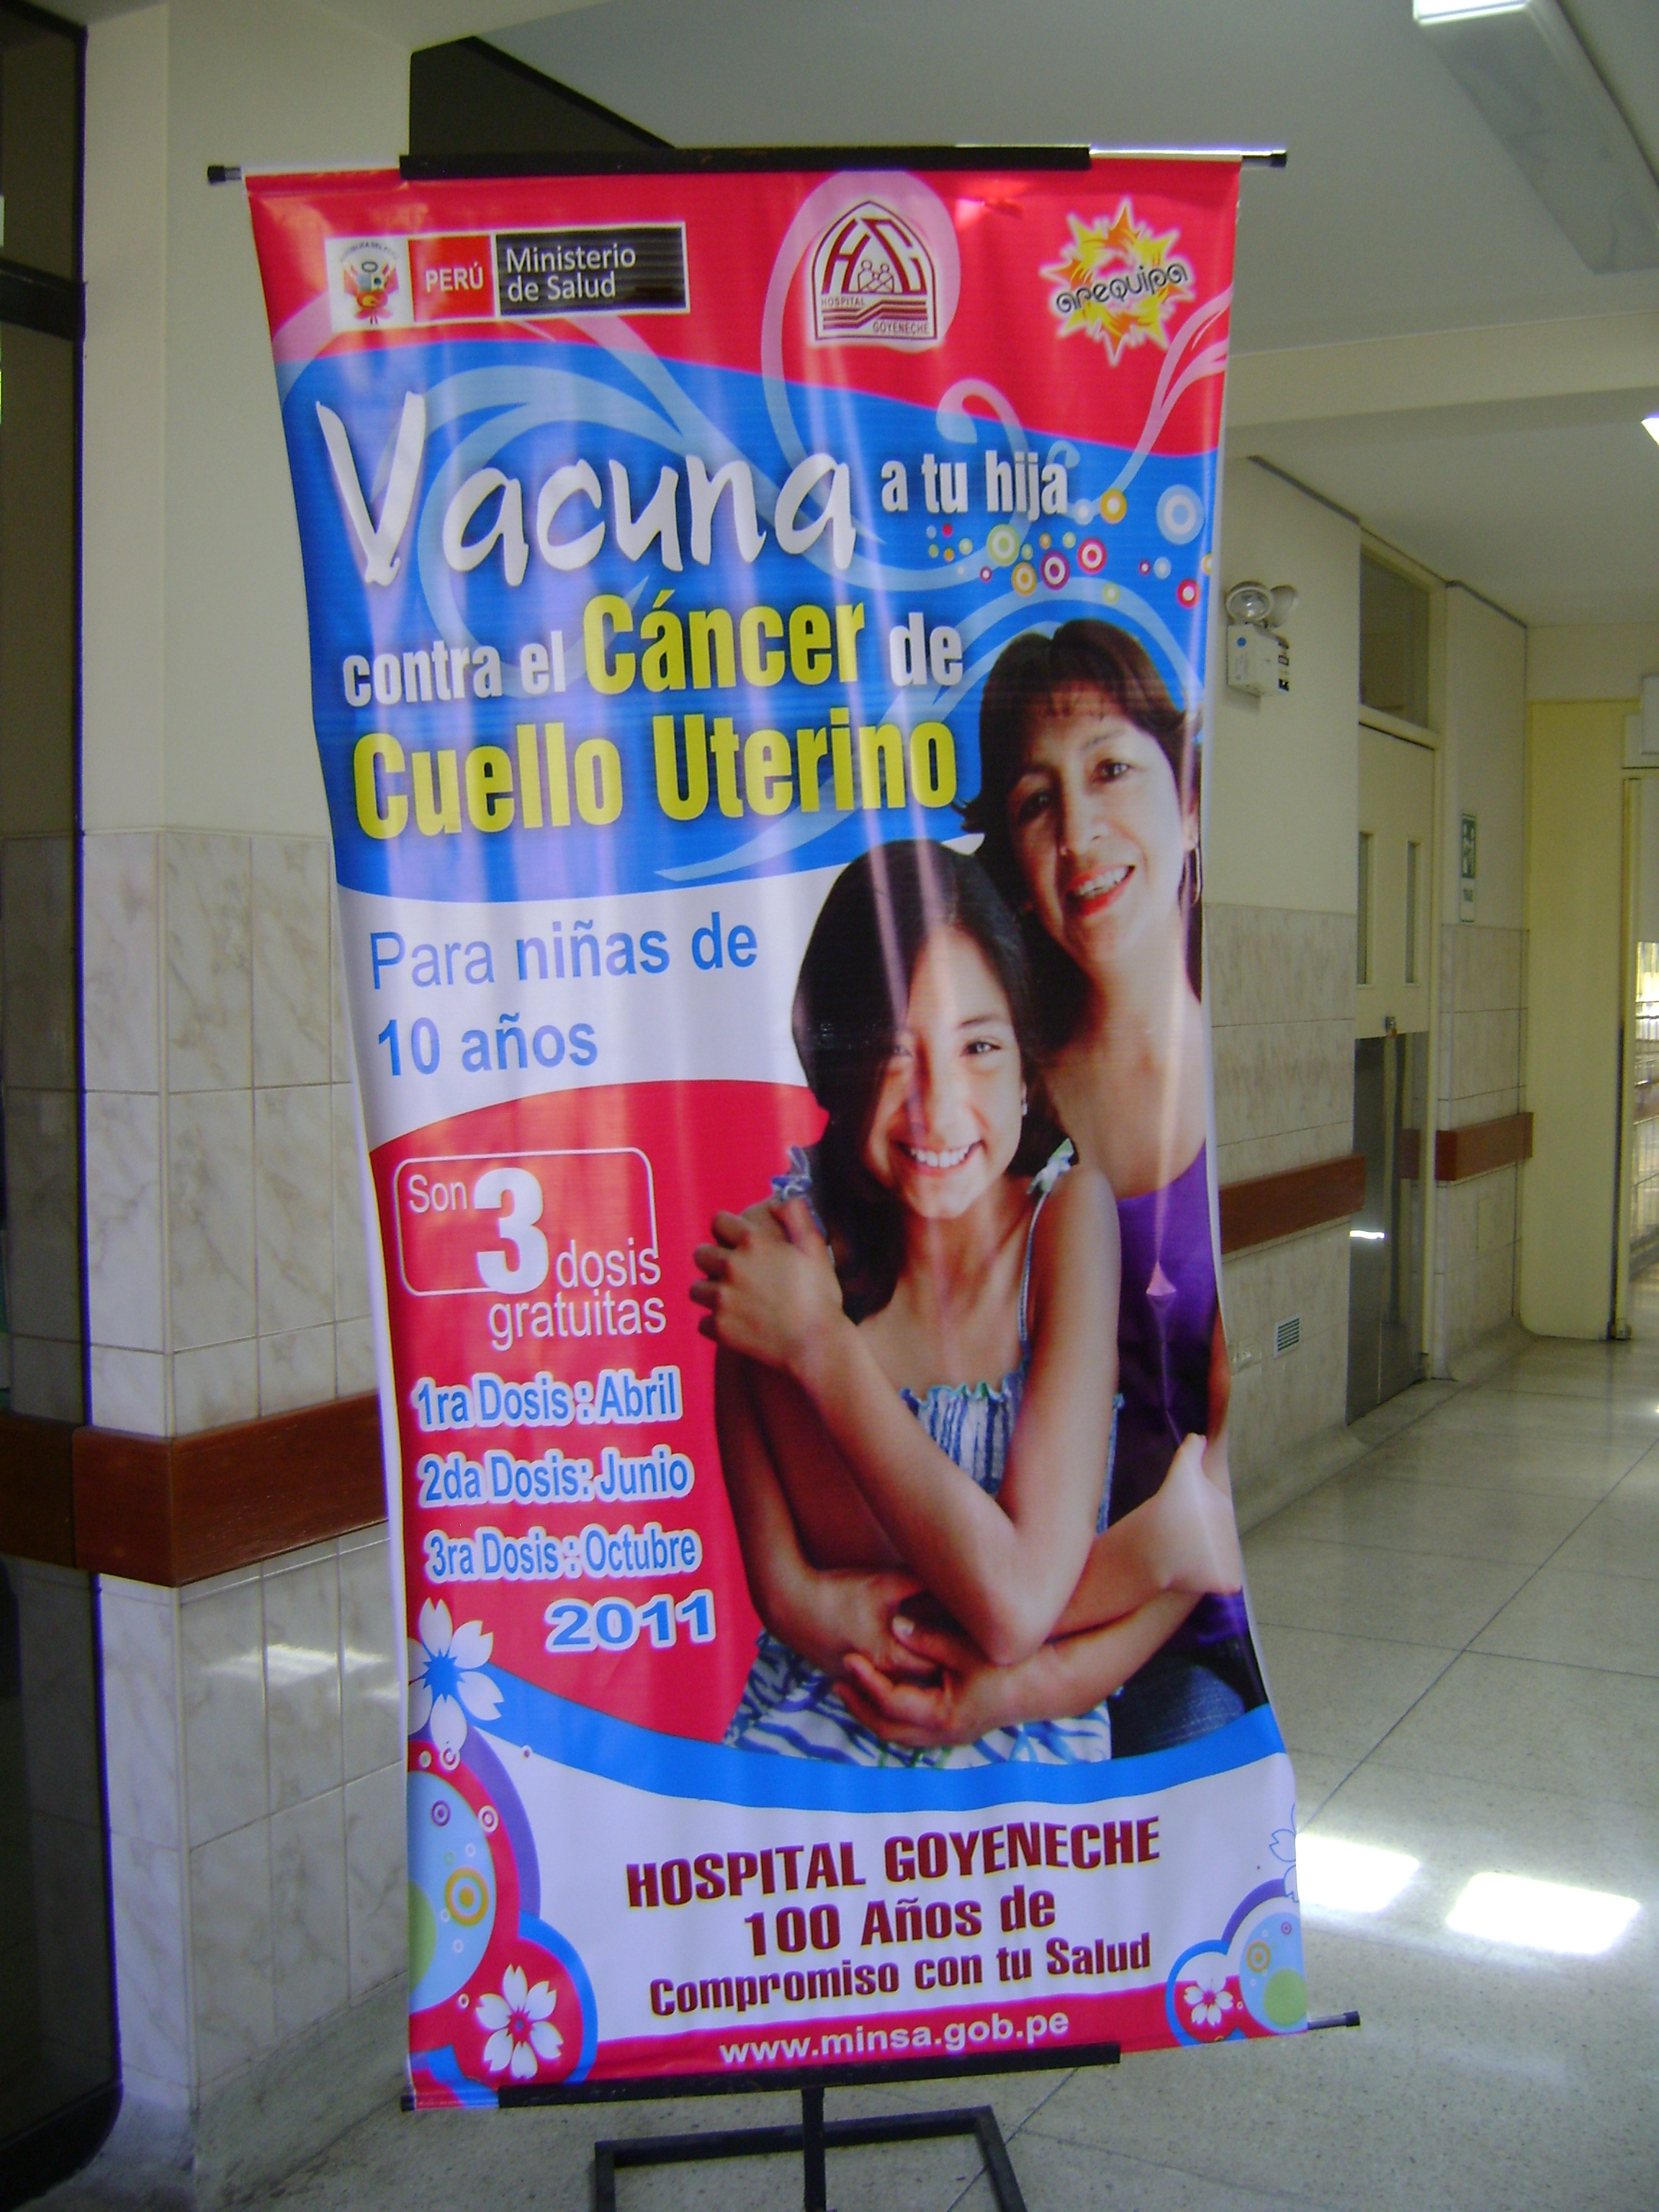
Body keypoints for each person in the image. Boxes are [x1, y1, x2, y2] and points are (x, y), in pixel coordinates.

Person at [691, 839, 1235, 1765]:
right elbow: (801, 1595)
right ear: (831, 1063)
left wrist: (822, 1348)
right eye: (892, 1053)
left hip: (1027, 1752)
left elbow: (1010, 1609)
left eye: (979, 1047)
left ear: (1026, 1068)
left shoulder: (1068, 1219)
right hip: (816, 1734)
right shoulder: (775, 1263)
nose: (938, 1106)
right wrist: (1143, 1560)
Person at [854, 620, 1262, 1756]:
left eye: (1112, 769)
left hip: (1173, 1631)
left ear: (1190, 801)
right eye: (1038, 801)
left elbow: (1204, 1520)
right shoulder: (990, 1103)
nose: (1079, 833)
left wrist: (1018, 1679)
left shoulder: (1249, 1085)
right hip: (980, 1589)